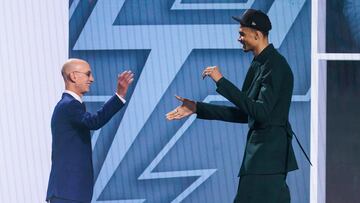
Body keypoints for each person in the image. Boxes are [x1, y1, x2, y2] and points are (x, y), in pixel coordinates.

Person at [166, 9, 298, 203]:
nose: (239, 38)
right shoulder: (259, 64)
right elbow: (245, 113)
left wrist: (221, 81)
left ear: (257, 34)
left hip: (267, 157)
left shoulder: (275, 65)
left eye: (242, 34)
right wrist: (197, 108)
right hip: (262, 158)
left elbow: (259, 112)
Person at [46, 58, 134, 203]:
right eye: (88, 74)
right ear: (74, 76)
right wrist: (119, 95)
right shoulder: (69, 105)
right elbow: (94, 122)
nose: (92, 79)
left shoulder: (67, 105)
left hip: (69, 191)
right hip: (68, 191)